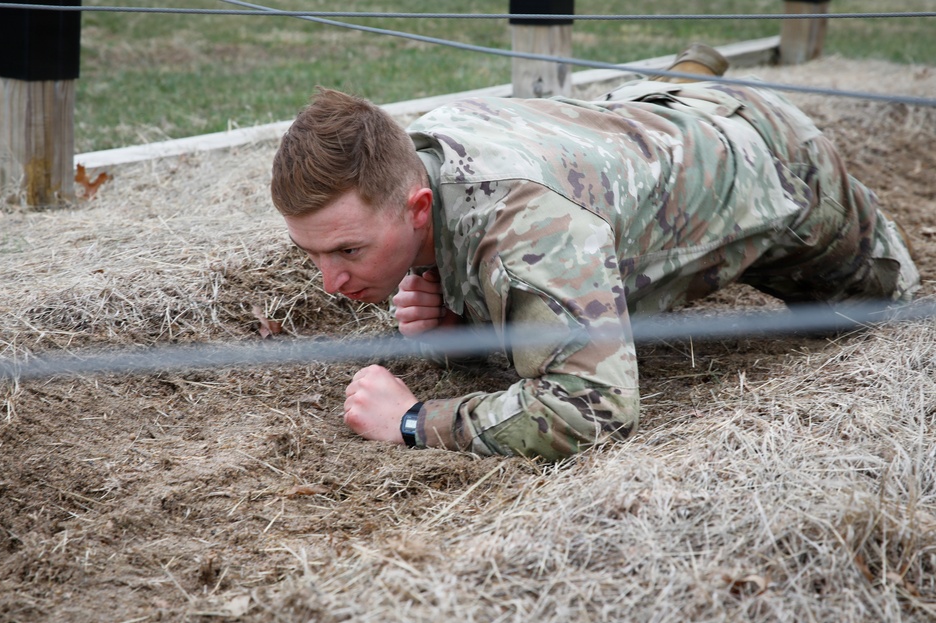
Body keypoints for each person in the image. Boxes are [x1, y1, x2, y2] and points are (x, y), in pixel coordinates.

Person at [271, 44, 919, 461]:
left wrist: (414, 421)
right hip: (641, 124)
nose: (330, 281)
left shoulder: (526, 228)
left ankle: (700, 82)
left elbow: (592, 406)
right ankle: (689, 74)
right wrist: (454, 317)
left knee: (886, 313)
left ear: (417, 209)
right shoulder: (418, 152)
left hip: (775, 160)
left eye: (348, 249)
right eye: (312, 254)